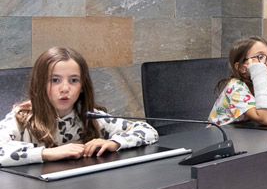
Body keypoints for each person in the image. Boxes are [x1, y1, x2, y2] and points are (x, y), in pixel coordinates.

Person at [0, 47, 158, 167]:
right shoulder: (22, 117)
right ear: (40, 84)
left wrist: (114, 142)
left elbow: (148, 131)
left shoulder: (90, 117)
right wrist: (46, 153)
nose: (64, 88)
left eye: (74, 80)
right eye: (55, 80)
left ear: (83, 86)